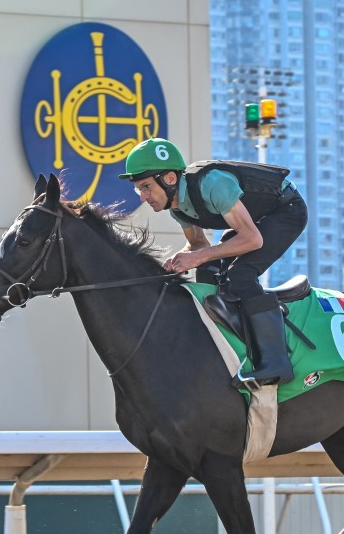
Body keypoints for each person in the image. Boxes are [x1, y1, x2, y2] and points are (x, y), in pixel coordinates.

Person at [119, 137, 307, 386]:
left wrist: (197, 256)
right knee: (208, 270)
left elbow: (252, 239)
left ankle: (275, 362)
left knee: (240, 275)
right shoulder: (177, 207)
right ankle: (228, 349)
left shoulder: (213, 184)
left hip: (286, 210)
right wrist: (180, 259)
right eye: (138, 189)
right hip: (256, 219)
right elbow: (199, 247)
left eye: (145, 187)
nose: (142, 197)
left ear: (170, 179)